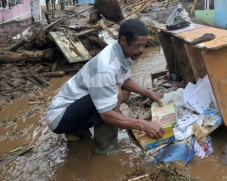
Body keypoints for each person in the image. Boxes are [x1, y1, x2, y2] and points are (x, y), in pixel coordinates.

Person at [45, 19, 164, 155]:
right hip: (59, 118)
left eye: (143, 45)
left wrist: (150, 94)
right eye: (138, 46)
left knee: (122, 93)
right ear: (124, 41)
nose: (141, 50)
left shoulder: (120, 52)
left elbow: (126, 80)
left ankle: (78, 134)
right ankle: (105, 149)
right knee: (114, 99)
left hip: (73, 106)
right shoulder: (106, 67)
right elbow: (107, 115)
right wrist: (144, 125)